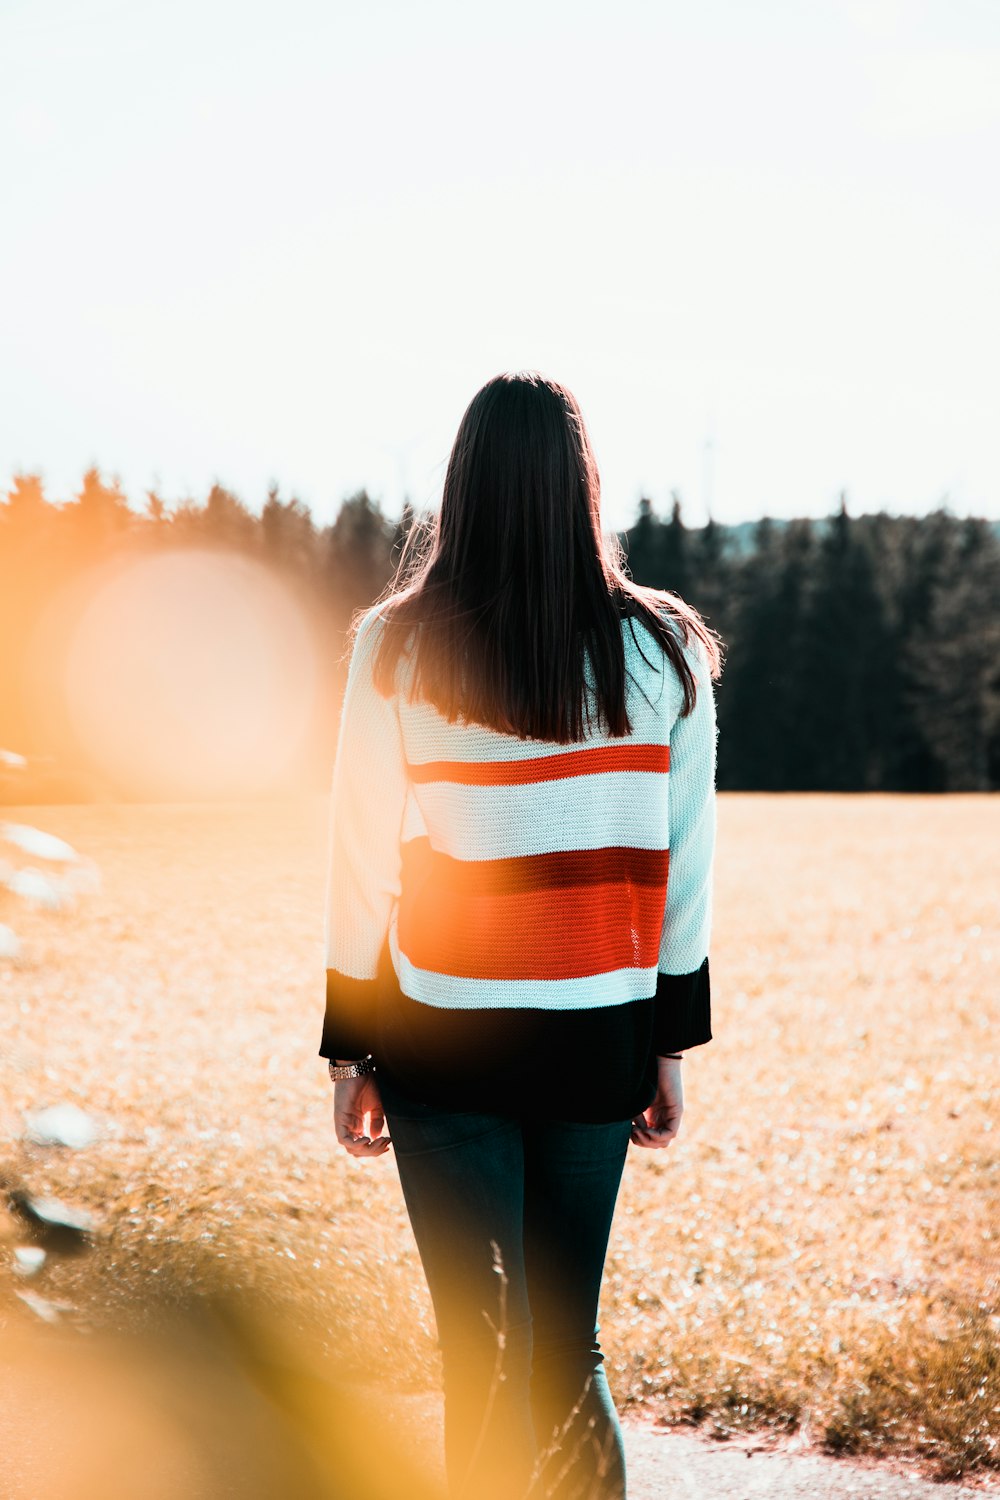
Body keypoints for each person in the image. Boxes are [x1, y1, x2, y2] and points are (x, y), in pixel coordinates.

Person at [319, 370, 722, 1500]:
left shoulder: (396, 648)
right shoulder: (668, 653)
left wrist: (351, 1051)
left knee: (480, 1355)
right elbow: (682, 868)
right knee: (562, 1346)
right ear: (583, 488)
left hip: (440, 1035)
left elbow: (356, 856)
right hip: (596, 1037)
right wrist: (668, 1046)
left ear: (462, 490)